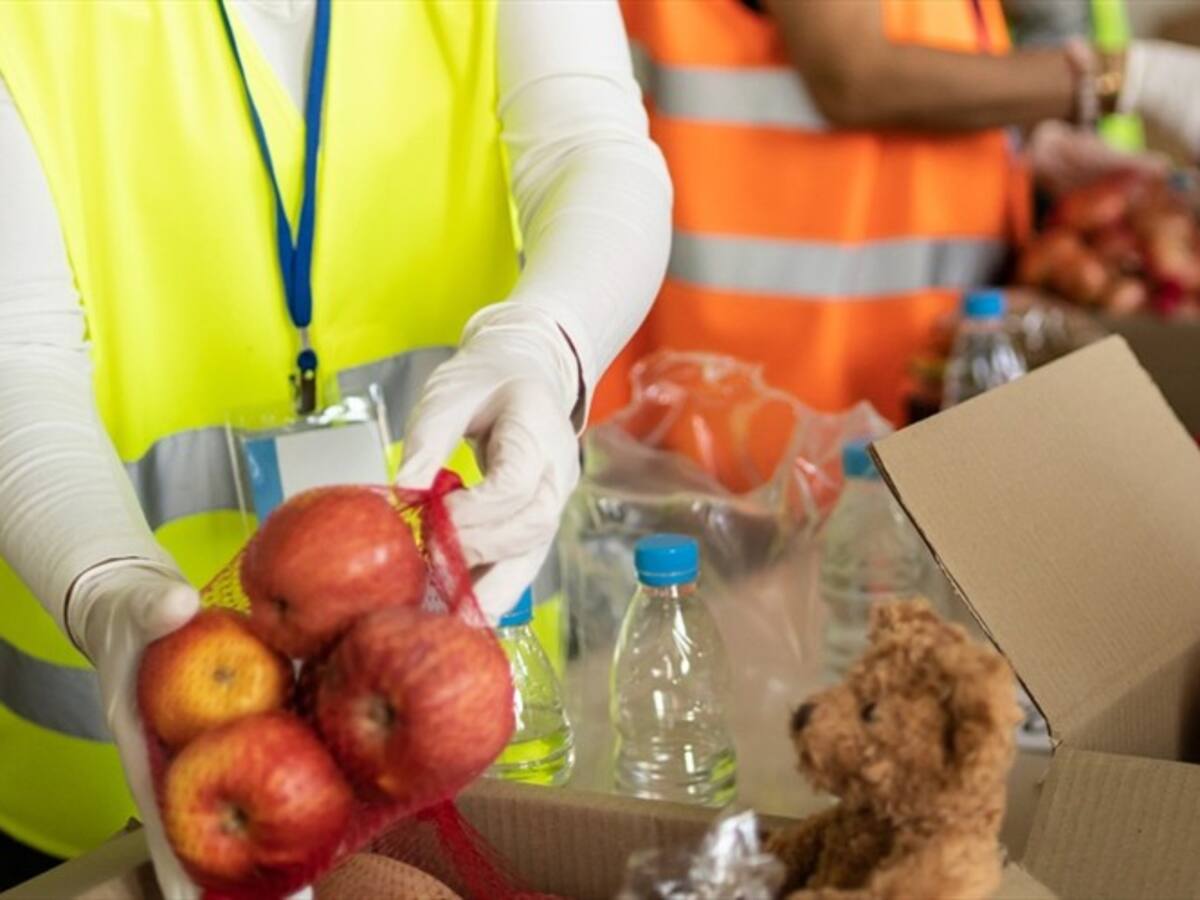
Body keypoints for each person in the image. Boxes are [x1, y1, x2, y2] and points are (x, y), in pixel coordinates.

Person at [0, 1, 670, 896]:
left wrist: (544, 339)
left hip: (461, 713)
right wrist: (100, 582)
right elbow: (18, 344)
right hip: (114, 761)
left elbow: (591, 142)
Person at [597, 0, 1200, 425]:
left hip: (887, 388)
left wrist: (1021, 144)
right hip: (760, 396)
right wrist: (1129, 78)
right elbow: (851, 75)